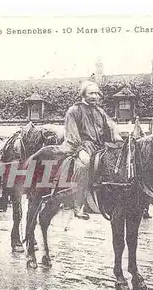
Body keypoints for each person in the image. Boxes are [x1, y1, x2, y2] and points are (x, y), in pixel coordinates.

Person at [61, 81, 123, 220]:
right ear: (83, 94)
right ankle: (78, 205)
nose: (95, 96)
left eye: (96, 93)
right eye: (91, 93)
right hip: (82, 146)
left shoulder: (100, 111)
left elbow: (110, 127)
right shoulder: (74, 111)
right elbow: (71, 133)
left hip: (100, 147)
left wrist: (117, 136)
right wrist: (79, 150)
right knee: (84, 164)